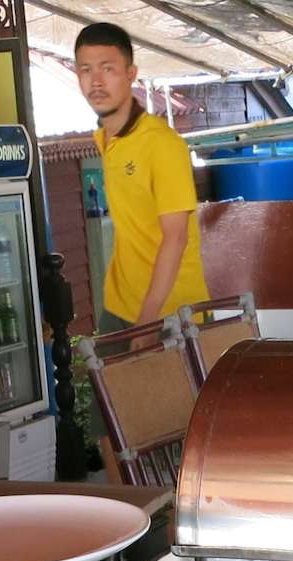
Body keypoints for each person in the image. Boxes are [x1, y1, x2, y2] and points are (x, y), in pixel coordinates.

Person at [74, 23, 210, 332]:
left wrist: (148, 322)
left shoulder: (162, 143)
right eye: (86, 70)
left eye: (108, 69)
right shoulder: (105, 139)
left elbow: (176, 237)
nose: (96, 81)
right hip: (119, 306)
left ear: (130, 74)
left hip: (170, 313)